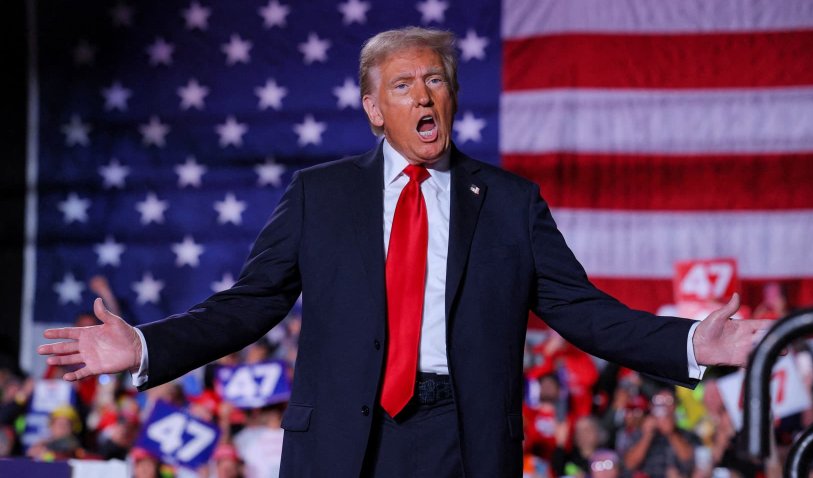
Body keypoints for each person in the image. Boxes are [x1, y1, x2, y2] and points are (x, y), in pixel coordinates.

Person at [39, 27, 771, 478]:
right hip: (342, 440)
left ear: (452, 96)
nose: (425, 94)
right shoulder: (319, 195)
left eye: (436, 80)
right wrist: (143, 347)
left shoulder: (509, 202)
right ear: (373, 107)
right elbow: (249, 304)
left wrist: (689, 342)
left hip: (462, 436)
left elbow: (581, 312)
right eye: (403, 84)